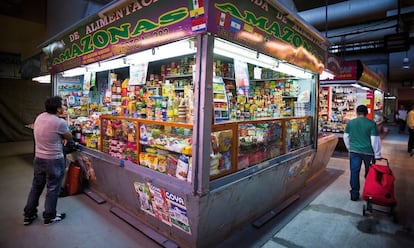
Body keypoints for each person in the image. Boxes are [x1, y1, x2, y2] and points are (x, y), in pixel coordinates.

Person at [23, 96, 72, 225]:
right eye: (63, 105)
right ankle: (49, 216)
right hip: (54, 160)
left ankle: (29, 214)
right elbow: (69, 136)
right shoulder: (59, 122)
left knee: (36, 187)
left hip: (39, 158)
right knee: (53, 188)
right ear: (58, 109)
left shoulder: (40, 117)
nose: (64, 107)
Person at [343, 105, 381, 201]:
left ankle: (354, 194)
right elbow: (375, 140)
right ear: (366, 113)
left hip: (354, 151)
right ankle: (369, 194)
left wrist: (349, 148)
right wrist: (377, 154)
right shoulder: (371, 124)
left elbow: (346, 137)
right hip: (368, 152)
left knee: (354, 172)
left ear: (356, 112)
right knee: (370, 173)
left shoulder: (351, 123)